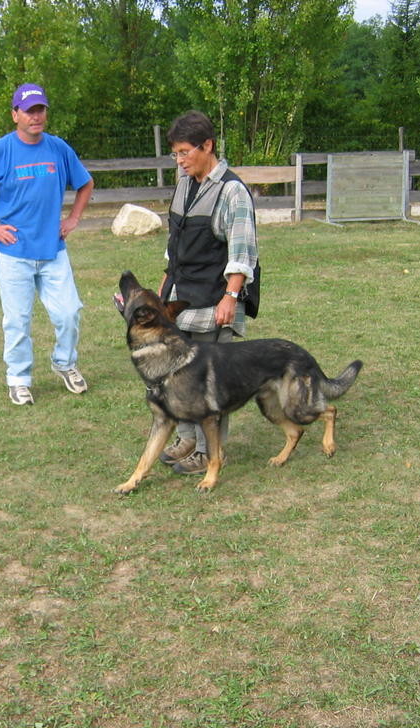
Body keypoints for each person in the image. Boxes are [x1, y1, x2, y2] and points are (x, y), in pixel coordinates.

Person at [0, 83, 94, 406]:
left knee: (69, 312)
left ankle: (65, 364)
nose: (36, 116)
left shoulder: (58, 149)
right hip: (14, 253)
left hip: (53, 251)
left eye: (40, 109)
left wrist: (73, 219)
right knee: (17, 321)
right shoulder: (0, 151)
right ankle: (18, 379)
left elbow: (86, 183)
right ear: (15, 114)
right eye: (29, 111)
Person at [158, 110, 259, 475]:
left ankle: (208, 451)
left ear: (208, 146)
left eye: (185, 152)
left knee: (207, 381)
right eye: (176, 154)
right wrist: (165, 284)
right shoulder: (184, 182)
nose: (180, 160)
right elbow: (176, 241)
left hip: (214, 301)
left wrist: (230, 297)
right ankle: (186, 437)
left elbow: (243, 252)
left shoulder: (232, 192)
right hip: (180, 297)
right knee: (177, 374)